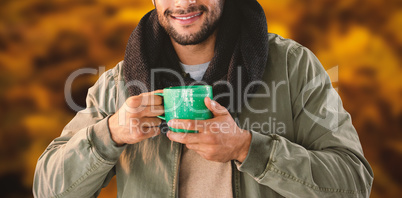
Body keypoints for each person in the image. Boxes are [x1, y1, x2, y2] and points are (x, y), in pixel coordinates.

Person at [33, 0, 374, 197]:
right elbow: (47, 188)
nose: (184, 3)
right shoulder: (115, 85)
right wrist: (110, 133)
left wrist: (247, 148)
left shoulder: (293, 65)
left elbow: (354, 182)